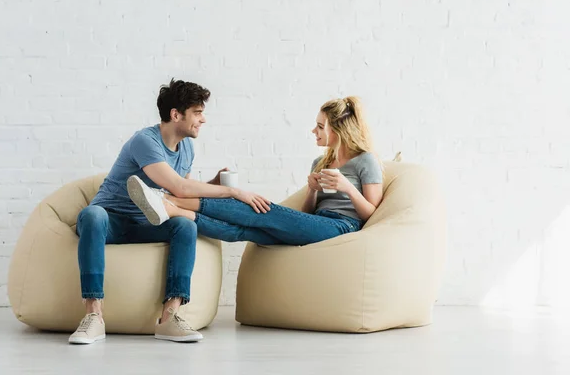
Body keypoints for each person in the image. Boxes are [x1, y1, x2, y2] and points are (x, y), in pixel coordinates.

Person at [69, 79, 270, 345]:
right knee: (94, 214)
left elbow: (178, 195)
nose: (203, 119)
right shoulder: (145, 141)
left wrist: (213, 184)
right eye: (197, 113)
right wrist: (234, 192)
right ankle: (93, 316)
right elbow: (179, 186)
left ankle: (170, 316)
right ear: (176, 115)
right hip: (110, 221)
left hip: (146, 223)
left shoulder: (186, 147)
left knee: (185, 225)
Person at [126, 96, 384, 247]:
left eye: (319, 127)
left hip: (343, 227)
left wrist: (347, 188)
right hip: (317, 223)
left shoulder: (365, 161)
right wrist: (313, 191)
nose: (313, 131)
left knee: (262, 212)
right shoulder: (320, 162)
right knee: (246, 232)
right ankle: (176, 210)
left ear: (338, 129)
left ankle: (170, 200)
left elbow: (372, 214)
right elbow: (307, 214)